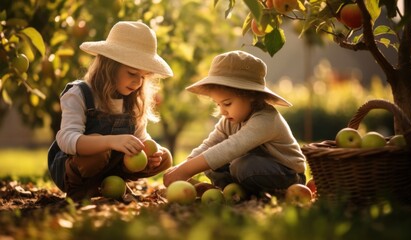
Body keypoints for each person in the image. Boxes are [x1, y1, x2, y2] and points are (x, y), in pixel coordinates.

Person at [48, 21, 173, 201]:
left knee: (165, 157)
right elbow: (66, 140)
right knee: (98, 151)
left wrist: (152, 151)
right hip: (77, 167)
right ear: (109, 66)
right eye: (132, 73)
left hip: (112, 170)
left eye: (143, 77)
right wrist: (110, 141)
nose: (138, 82)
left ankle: (110, 184)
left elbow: (140, 136)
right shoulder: (80, 93)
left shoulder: (133, 100)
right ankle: (80, 191)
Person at [163, 50, 306, 197]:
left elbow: (231, 148)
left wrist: (186, 171)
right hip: (250, 171)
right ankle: (231, 191)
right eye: (218, 104)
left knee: (241, 165)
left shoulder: (266, 119)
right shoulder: (228, 121)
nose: (222, 111)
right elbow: (209, 145)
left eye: (227, 103)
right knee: (210, 162)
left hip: (288, 176)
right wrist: (182, 167)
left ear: (250, 95)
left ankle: (253, 192)